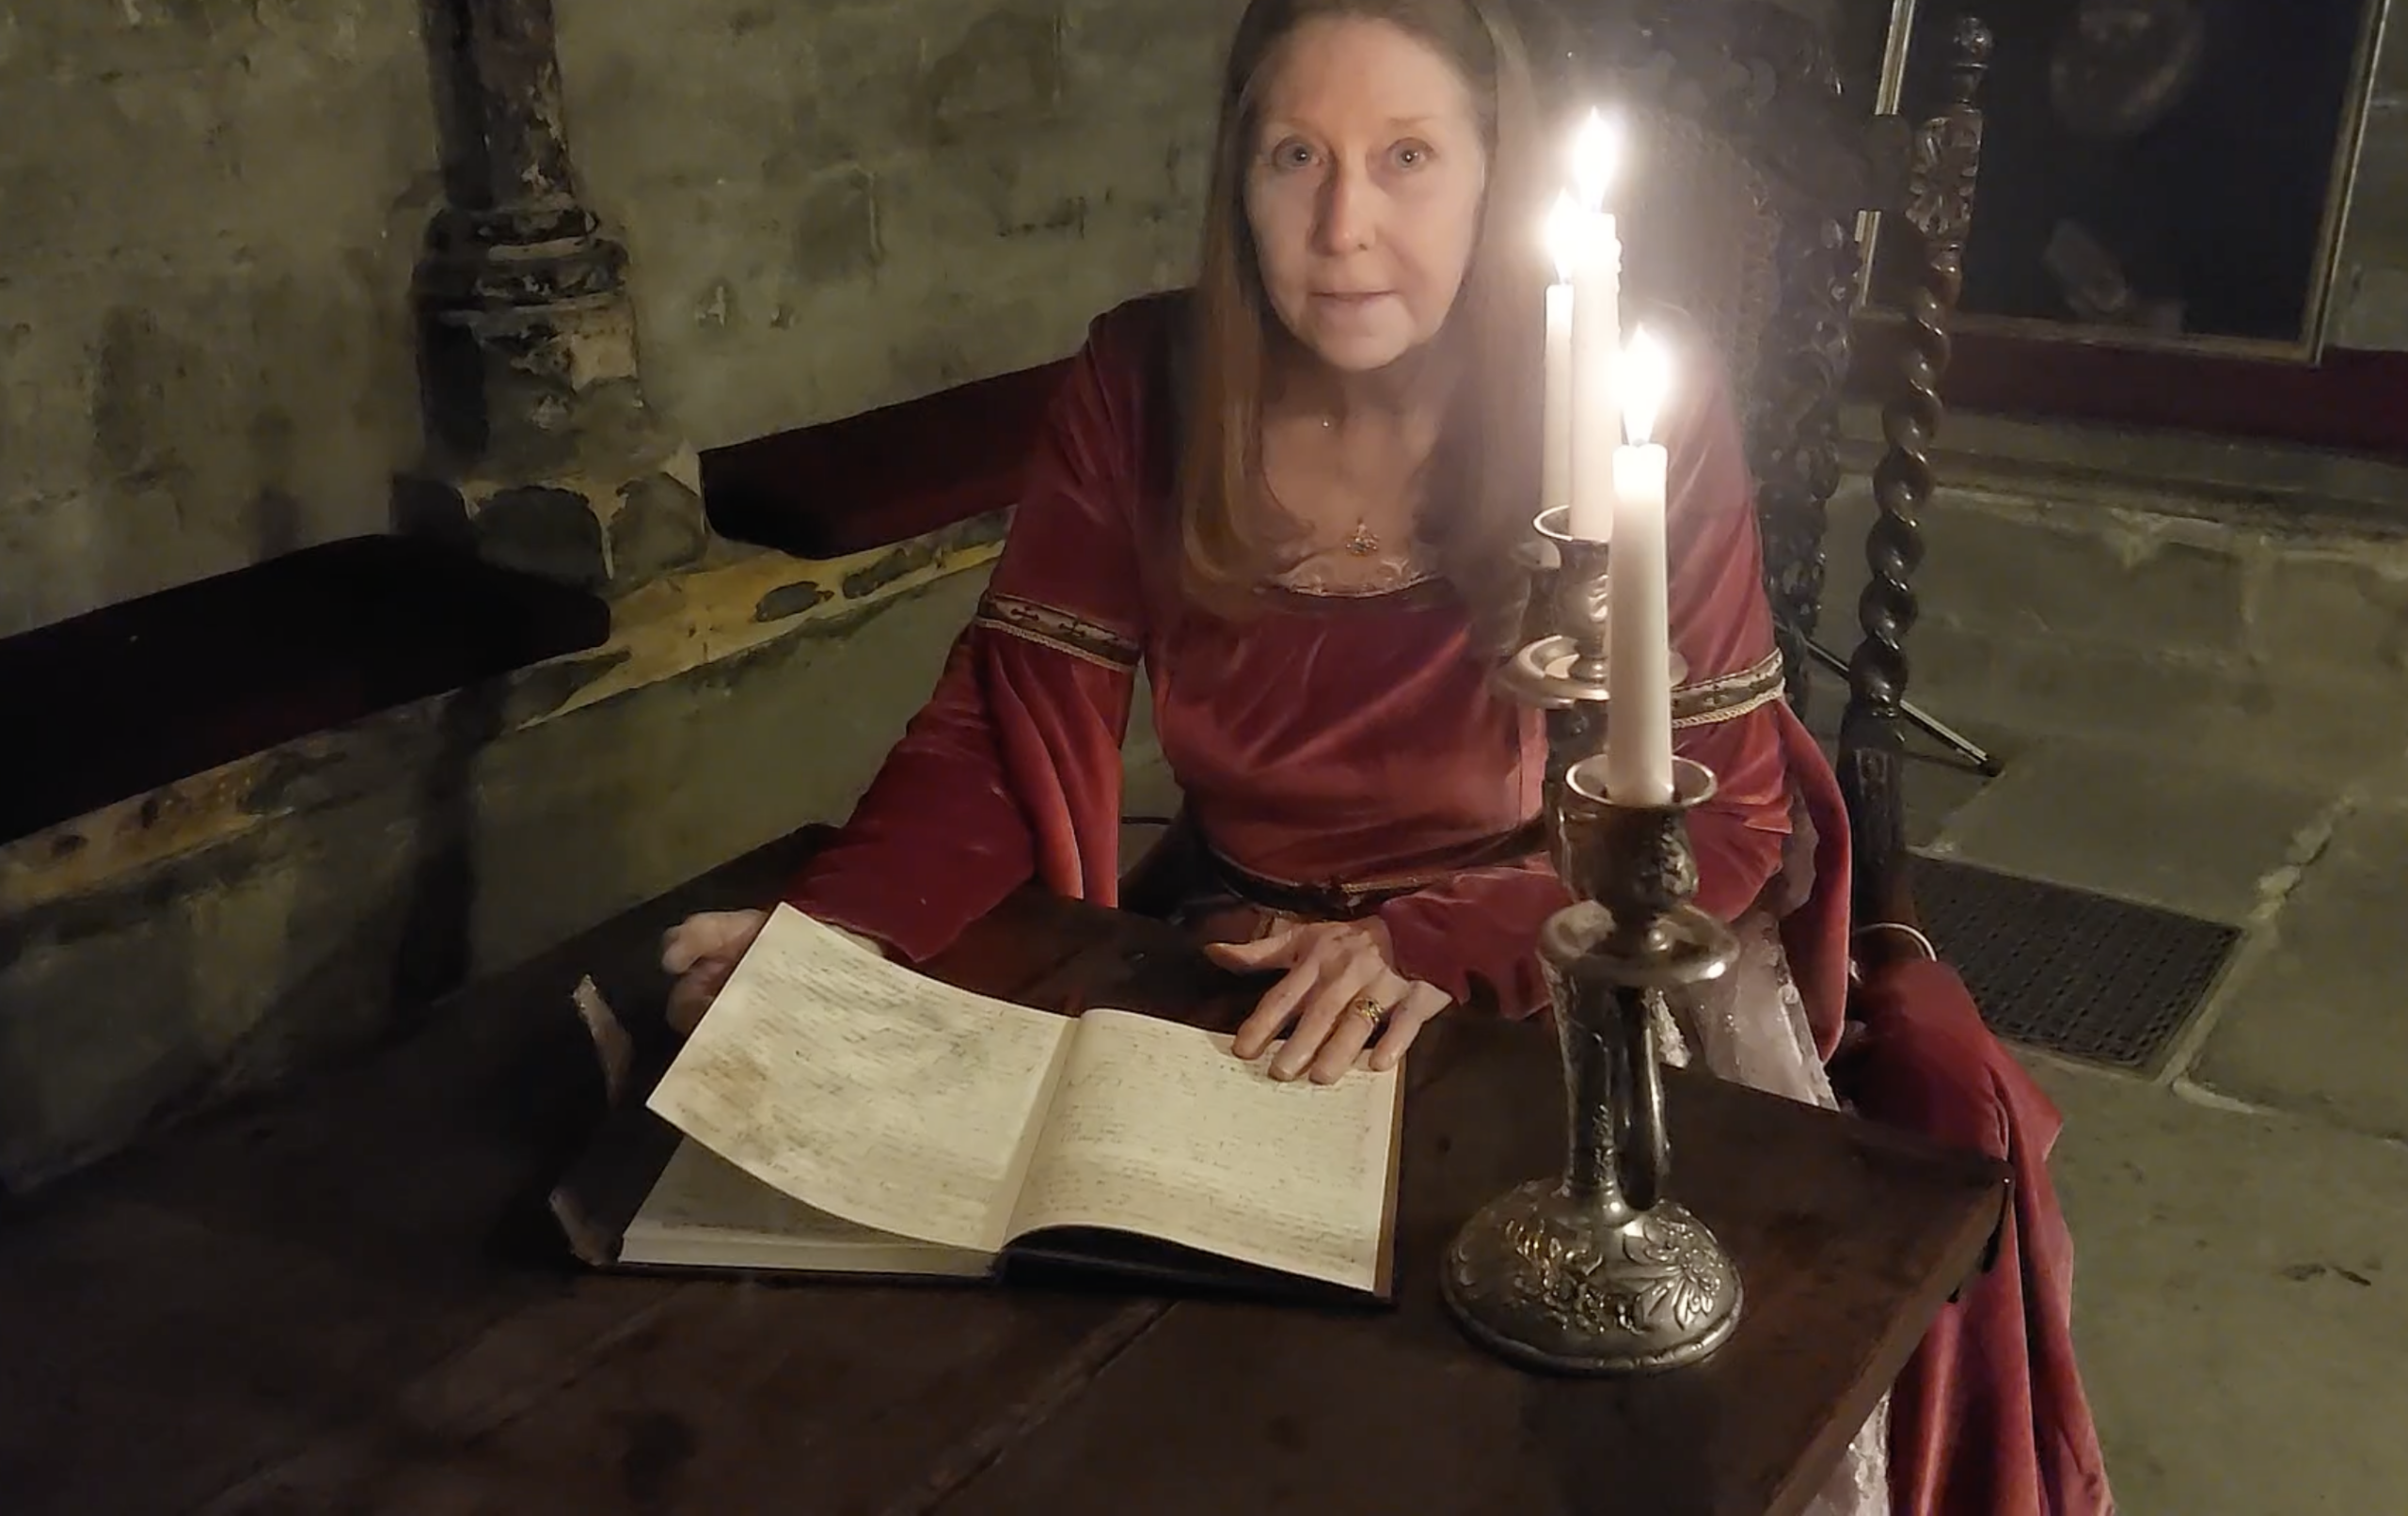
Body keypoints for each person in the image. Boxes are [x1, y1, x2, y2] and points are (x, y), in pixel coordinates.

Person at [661, 2, 2107, 1511]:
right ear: (1238, 176)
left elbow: (1729, 816)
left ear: (1498, 178)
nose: (1345, 225)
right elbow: (1002, 725)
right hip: (1248, 963)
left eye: (1408, 156)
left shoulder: (1624, 404)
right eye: (1299, 155)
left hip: (1564, 968)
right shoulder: (1144, 381)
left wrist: (1428, 940)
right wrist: (833, 937)